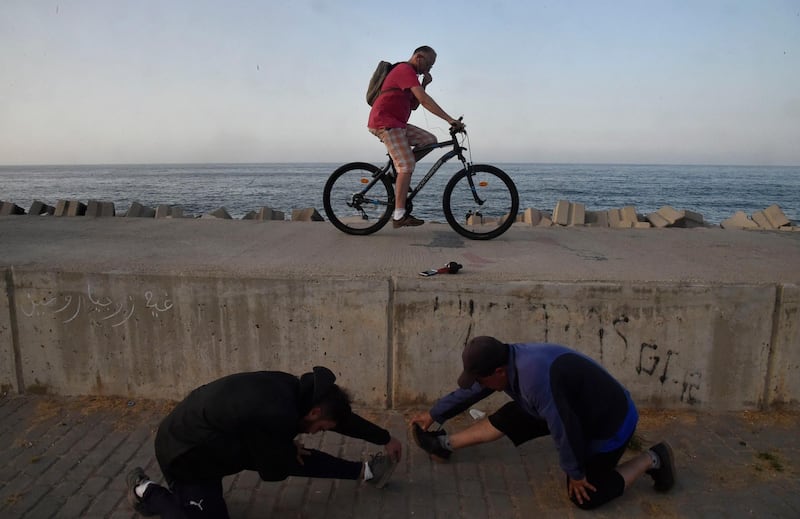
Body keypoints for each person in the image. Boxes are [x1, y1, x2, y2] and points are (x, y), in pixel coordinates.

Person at [410, 336, 676, 510]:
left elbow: (564, 428)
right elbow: (475, 390)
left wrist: (575, 472)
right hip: (571, 407)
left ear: (498, 372)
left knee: (585, 495)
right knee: (511, 415)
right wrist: (434, 414)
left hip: (609, 424)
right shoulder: (509, 359)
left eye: (481, 379)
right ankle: (443, 444)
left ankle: (653, 458)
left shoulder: (536, 380)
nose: (479, 385)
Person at [126, 366, 402, 518]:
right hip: (185, 455)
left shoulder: (295, 391)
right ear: (315, 412)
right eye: (320, 428)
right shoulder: (275, 414)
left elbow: (338, 419)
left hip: (218, 441)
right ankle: (146, 490)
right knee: (289, 454)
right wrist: (282, 447)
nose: (317, 432)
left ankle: (364, 472)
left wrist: (385, 437)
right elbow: (273, 472)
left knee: (293, 452)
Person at [367, 45, 464, 228]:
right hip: (385, 122)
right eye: (430, 64)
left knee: (430, 141)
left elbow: (413, 105)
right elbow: (424, 100)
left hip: (398, 124)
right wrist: (449, 119)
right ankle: (398, 216)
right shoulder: (404, 69)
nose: (430, 69)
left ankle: (392, 174)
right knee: (406, 165)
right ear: (419, 57)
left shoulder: (411, 76)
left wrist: (424, 84)